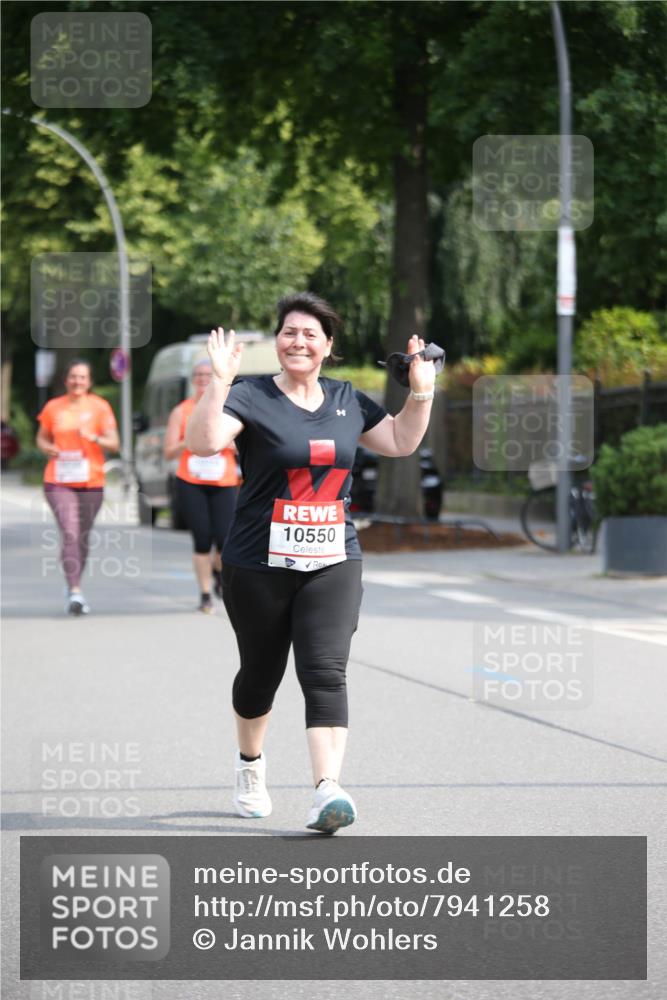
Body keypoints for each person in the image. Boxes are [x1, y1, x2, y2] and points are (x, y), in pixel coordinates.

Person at [186, 292, 437, 833]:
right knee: (261, 675)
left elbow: (397, 440)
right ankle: (250, 766)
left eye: (310, 334)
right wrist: (219, 382)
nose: (298, 341)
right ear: (278, 343)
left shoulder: (348, 399)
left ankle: (328, 789)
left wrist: (421, 394)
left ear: (328, 347)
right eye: (289, 332)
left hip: (333, 557)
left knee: (325, 670)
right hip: (258, 561)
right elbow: (204, 443)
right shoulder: (249, 396)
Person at [36, 359, 120, 616]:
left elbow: (114, 444)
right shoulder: (54, 407)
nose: (77, 381)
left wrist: (95, 437)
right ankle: (75, 591)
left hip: (92, 481)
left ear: (89, 382)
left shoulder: (100, 407)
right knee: (70, 533)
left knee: (81, 536)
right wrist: (46, 447)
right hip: (58, 480)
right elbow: (42, 436)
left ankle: (75, 584)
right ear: (66, 380)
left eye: (82, 377)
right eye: (73, 376)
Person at [163, 359, 240, 613]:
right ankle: (205, 594)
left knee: (225, 539)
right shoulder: (182, 411)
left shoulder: (229, 408)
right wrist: (191, 440)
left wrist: (225, 443)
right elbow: (168, 452)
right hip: (191, 482)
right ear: (193, 380)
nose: (203, 379)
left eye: (208, 374)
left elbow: (244, 445)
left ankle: (218, 572)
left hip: (224, 482)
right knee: (202, 539)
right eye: (198, 375)